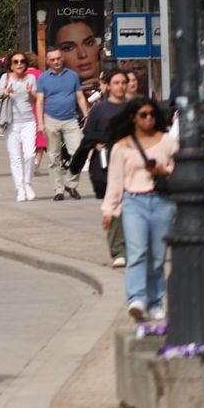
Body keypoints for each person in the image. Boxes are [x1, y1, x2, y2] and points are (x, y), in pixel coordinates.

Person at [101, 96, 175, 321]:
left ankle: (155, 301)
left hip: (162, 201)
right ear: (134, 117)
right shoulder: (122, 146)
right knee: (137, 252)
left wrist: (164, 170)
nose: (149, 119)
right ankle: (136, 298)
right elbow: (115, 181)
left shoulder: (167, 140)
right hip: (134, 202)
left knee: (158, 256)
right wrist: (110, 210)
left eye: (152, 114)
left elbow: (179, 168)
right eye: (143, 115)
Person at [82, 69, 133, 267]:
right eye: (117, 82)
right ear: (109, 86)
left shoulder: (134, 107)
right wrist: (97, 144)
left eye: (123, 82)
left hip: (133, 163)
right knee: (114, 205)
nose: (120, 86)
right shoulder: (99, 109)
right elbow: (89, 133)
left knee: (132, 206)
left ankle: (133, 246)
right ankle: (119, 250)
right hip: (109, 163)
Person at [37, 47, 86, 201]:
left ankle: (71, 184)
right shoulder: (43, 78)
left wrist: (87, 114)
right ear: (47, 61)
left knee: (78, 153)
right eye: (52, 59)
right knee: (53, 157)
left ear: (62, 58)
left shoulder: (72, 76)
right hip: (51, 119)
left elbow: (80, 97)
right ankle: (58, 189)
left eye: (58, 58)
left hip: (71, 119)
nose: (56, 62)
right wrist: (40, 123)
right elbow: (39, 101)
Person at [0, 53, 43, 202]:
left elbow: (36, 100)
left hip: (29, 121)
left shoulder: (31, 78)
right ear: (11, 65)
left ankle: (28, 183)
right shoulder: (6, 78)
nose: (19, 64)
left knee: (29, 154)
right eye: (15, 61)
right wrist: (6, 92)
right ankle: (20, 187)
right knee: (15, 157)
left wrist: (30, 93)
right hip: (11, 122)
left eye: (22, 61)